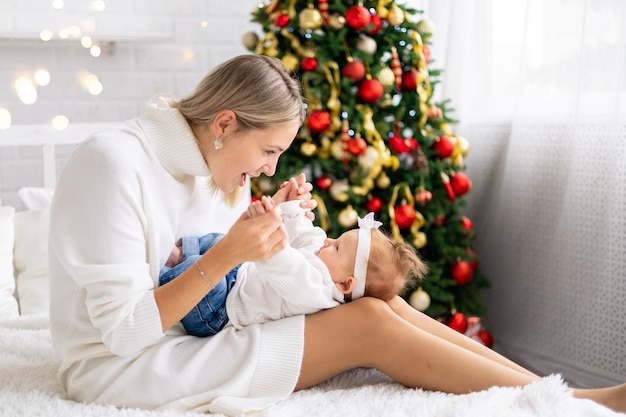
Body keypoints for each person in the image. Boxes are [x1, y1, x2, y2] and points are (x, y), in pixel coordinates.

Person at [48, 54, 626, 417]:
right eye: (269, 151)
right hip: (126, 365)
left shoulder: (209, 166)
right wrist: (229, 252)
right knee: (367, 322)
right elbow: (123, 333)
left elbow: (233, 266)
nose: (271, 167)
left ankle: (564, 395)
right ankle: (574, 404)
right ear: (224, 123)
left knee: (382, 300)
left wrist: (269, 217)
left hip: (193, 329)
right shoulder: (115, 164)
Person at [159, 194, 427, 336]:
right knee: (222, 242)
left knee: (203, 270)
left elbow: (282, 263)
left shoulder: (317, 291)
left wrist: (267, 228)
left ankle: (169, 274)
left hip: (218, 310)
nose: (328, 241)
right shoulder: (326, 262)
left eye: (336, 246)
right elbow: (306, 236)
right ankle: (179, 252)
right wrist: (293, 207)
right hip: (239, 274)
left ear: (345, 283)